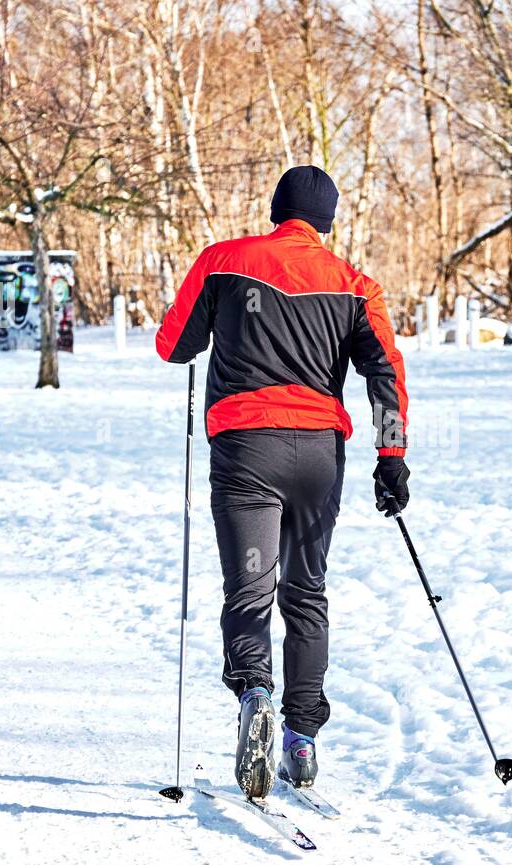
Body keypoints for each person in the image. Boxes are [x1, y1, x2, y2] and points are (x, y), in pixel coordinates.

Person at [155, 166, 410, 799]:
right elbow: (386, 373)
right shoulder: (357, 286)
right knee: (306, 590)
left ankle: (255, 693)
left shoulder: (223, 261)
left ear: (276, 210)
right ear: (327, 220)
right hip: (319, 457)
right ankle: (301, 734)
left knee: (248, 588)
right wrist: (391, 455)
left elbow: (172, 345)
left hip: (245, 449)